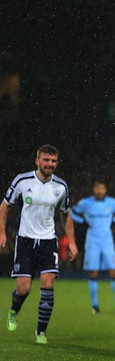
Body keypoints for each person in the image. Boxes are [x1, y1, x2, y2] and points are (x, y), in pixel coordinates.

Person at [0, 144, 78, 344]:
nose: (49, 164)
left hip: (48, 242)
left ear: (57, 163)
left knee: (48, 285)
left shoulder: (61, 187)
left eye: (53, 161)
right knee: (24, 289)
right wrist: (2, 231)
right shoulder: (22, 180)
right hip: (25, 241)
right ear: (37, 161)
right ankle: (14, 310)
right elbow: (4, 205)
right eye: (46, 160)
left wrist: (71, 242)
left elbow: (66, 214)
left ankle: (41, 332)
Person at [71, 181, 115, 313]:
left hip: (107, 241)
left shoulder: (111, 202)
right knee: (93, 272)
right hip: (92, 241)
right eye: (97, 189)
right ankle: (95, 305)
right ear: (93, 190)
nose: (100, 191)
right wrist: (81, 221)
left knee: (114, 271)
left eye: (102, 189)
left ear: (105, 190)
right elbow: (71, 212)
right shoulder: (85, 203)